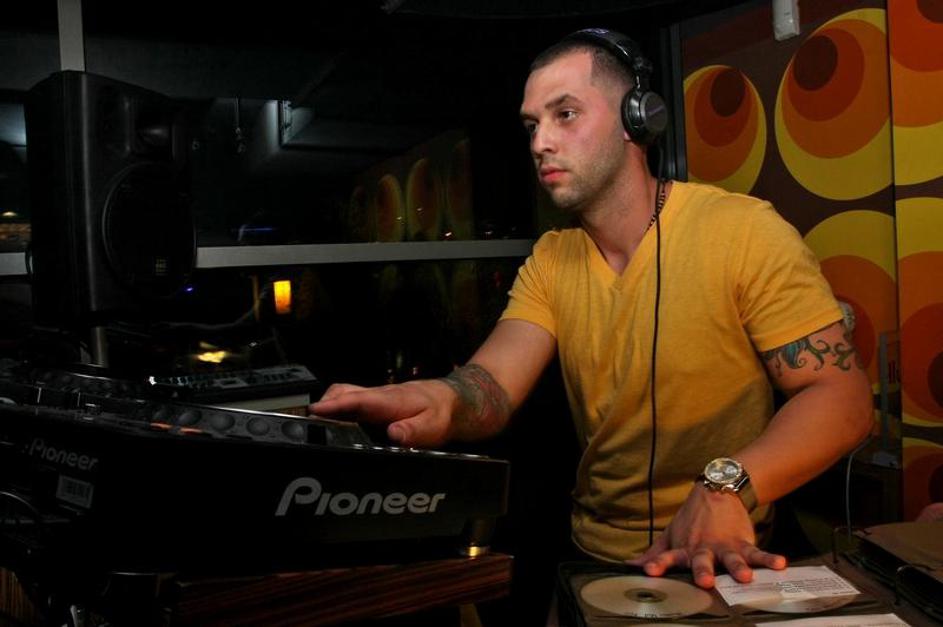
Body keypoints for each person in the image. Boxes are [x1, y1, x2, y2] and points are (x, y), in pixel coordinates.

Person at [310, 28, 873, 590]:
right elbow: (493, 384)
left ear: (636, 120)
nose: (540, 142)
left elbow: (841, 400)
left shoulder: (743, 232)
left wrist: (726, 486)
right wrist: (440, 398)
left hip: (727, 551)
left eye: (565, 114)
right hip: (594, 556)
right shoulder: (552, 259)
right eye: (532, 125)